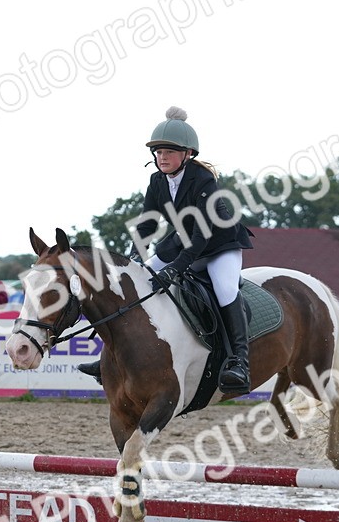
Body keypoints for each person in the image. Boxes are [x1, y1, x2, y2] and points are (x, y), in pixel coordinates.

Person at [78, 107, 253, 391]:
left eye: (169, 152)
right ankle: (108, 358)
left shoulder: (203, 180)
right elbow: (147, 225)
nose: (162, 157)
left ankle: (240, 362)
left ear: (188, 154)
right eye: (158, 152)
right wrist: (133, 259)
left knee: (224, 289)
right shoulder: (157, 181)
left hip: (220, 246)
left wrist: (175, 269)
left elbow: (201, 235)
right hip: (183, 241)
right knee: (136, 282)